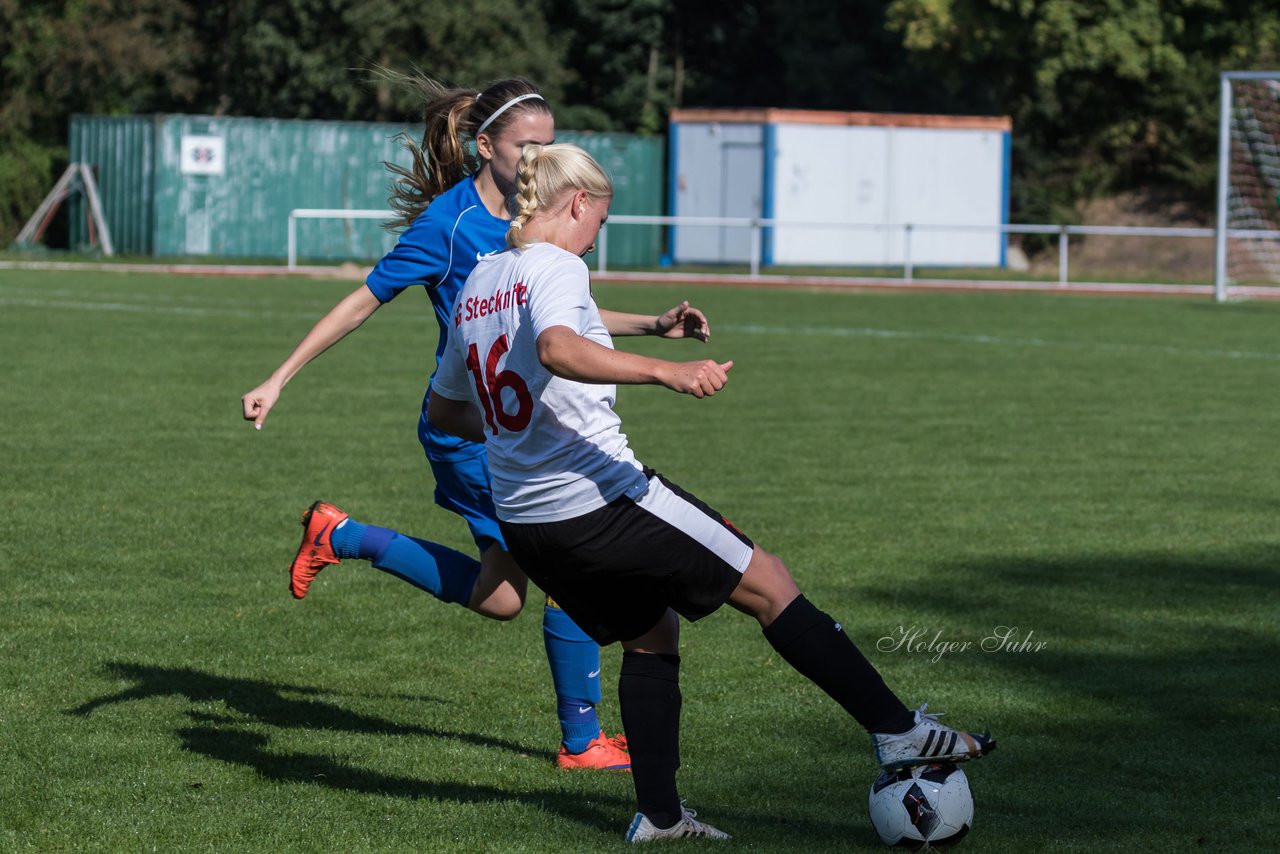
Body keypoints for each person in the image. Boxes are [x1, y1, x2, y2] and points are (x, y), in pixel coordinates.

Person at [427, 143, 997, 842]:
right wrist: (666, 369)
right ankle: (898, 730)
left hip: (527, 521)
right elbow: (555, 349)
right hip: (601, 499)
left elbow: (445, 411)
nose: (595, 239)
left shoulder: (482, 283)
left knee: (651, 635)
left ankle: (660, 818)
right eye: (599, 223)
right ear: (577, 204)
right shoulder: (558, 264)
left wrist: (520, 419)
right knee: (769, 583)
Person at [241, 77, 711, 771]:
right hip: (470, 429)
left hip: (520, 428)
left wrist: (652, 324)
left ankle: (343, 535)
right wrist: (279, 376)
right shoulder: (448, 226)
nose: (539, 160)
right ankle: (582, 740)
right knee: (572, 558)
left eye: (549, 146)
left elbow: (556, 317)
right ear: (484, 145)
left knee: (500, 597)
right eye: (528, 147)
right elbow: (363, 301)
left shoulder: (537, 220)